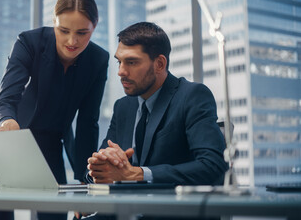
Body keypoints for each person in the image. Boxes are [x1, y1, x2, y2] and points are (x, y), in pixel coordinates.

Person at [0, 0, 109, 220]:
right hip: (5, 141)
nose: (72, 41)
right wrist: (8, 122)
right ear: (53, 22)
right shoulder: (30, 42)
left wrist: (84, 182)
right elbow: (5, 99)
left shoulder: (98, 60)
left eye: (82, 33)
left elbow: (88, 122)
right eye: (63, 30)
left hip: (49, 144)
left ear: (94, 27)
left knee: (54, 216)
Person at [85, 22, 228, 208]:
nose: (121, 71)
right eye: (119, 62)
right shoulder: (123, 107)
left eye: (132, 62)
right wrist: (97, 170)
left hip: (174, 212)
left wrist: (139, 173)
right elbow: (104, 167)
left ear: (159, 64)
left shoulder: (192, 96)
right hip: (126, 211)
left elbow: (213, 165)